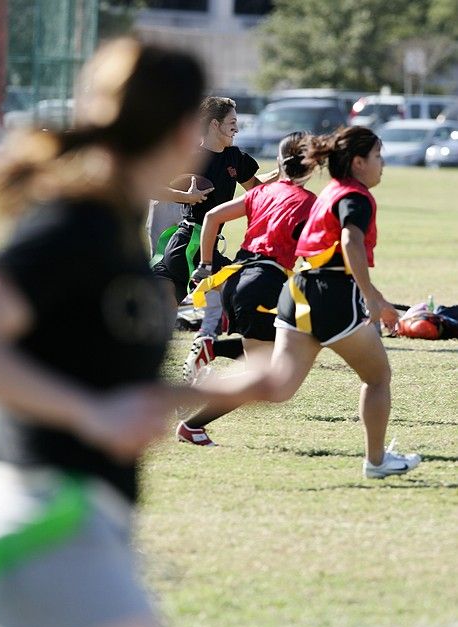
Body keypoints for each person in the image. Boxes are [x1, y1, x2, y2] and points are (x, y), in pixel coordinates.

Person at [0, 38, 274, 627]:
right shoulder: (78, 222)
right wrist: (89, 413)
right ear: (187, 130)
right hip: (53, 524)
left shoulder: (117, 223)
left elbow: (92, 372)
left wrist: (220, 386)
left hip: (59, 526)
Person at [266, 126, 422, 479]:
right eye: (378, 157)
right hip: (331, 295)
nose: (382, 165)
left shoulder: (332, 190)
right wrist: (371, 297)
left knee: (277, 385)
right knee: (378, 376)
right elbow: (351, 242)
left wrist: (374, 294)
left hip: (297, 289)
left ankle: (199, 398)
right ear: (358, 162)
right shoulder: (356, 196)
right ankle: (377, 461)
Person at [177, 132, 317, 446]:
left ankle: (213, 349)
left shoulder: (262, 193)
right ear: (313, 167)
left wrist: (207, 263)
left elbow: (212, 216)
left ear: (279, 164)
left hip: (237, 279)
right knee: (267, 379)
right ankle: (192, 424)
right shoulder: (310, 203)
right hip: (262, 286)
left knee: (281, 352)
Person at [152, 96, 278, 374]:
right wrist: (185, 196)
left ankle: (203, 348)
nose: (236, 128)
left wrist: (284, 174)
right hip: (189, 243)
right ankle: (216, 349)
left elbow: (256, 190)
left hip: (199, 243)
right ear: (214, 124)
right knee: (239, 288)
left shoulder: (235, 157)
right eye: (232, 123)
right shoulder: (190, 157)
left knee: (163, 313)